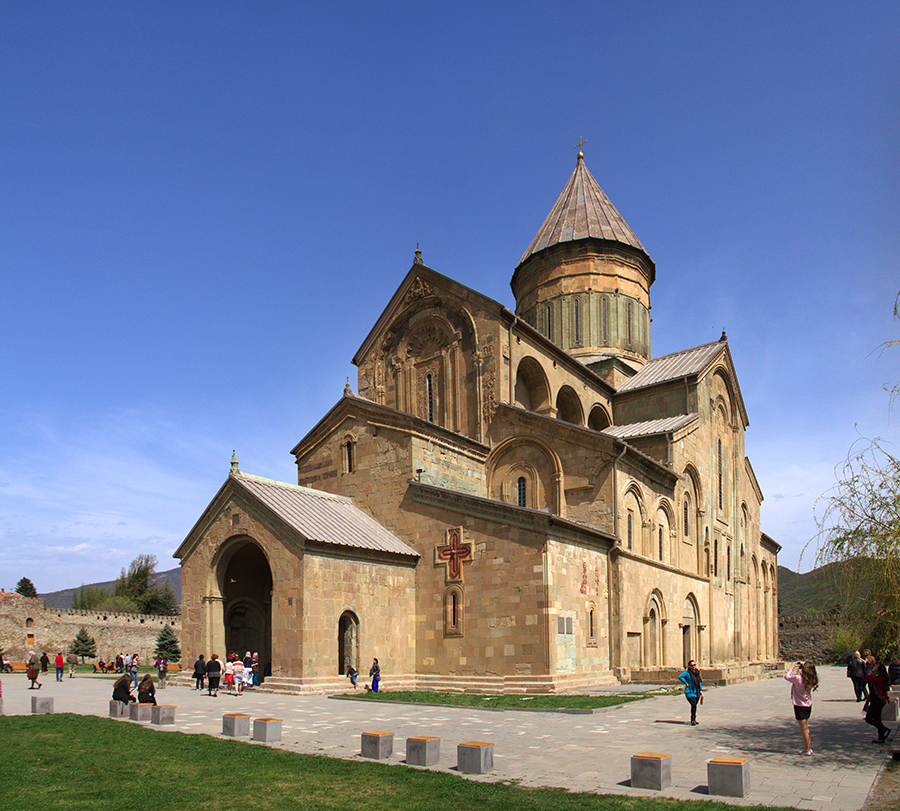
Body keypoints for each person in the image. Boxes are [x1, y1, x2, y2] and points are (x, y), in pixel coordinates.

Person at [785, 661, 818, 755]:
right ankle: (808, 747)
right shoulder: (811, 680)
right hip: (808, 705)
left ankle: (807, 749)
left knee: (804, 729)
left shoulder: (797, 679)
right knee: (806, 728)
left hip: (799, 706)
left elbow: (787, 676)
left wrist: (793, 668)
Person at [864, 659, 892, 743]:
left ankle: (884, 729)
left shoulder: (879, 679)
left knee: (869, 718)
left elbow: (867, 678)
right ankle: (881, 738)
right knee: (877, 719)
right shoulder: (883, 678)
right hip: (879, 701)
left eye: (876, 668)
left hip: (877, 701)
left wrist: (871, 670)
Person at [678, 660, 703, 725]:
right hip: (689, 691)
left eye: (694, 665)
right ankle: (693, 720)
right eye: (692, 665)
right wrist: (686, 683)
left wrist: (700, 690)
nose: (694, 666)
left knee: (695, 706)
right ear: (689, 666)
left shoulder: (697, 673)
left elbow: (699, 681)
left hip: (696, 691)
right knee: (693, 704)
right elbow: (680, 677)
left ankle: (694, 719)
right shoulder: (687, 673)